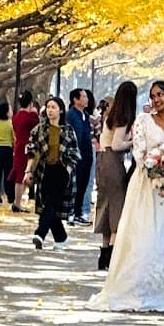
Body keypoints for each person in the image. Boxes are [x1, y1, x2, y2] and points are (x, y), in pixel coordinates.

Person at [88, 80, 164, 311]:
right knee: (144, 233)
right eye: (153, 96)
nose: (157, 99)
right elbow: (139, 153)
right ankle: (137, 286)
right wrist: (155, 167)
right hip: (145, 185)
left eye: (161, 94)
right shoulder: (143, 121)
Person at [91, 82, 138, 270]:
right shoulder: (123, 116)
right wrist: (134, 141)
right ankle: (111, 254)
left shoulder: (110, 114)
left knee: (105, 204)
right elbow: (118, 144)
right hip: (112, 160)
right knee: (117, 205)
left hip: (102, 159)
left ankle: (103, 253)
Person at [26, 96, 79, 249]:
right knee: (47, 204)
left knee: (52, 202)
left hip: (61, 171)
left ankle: (40, 234)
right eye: (48, 107)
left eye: (54, 107)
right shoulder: (40, 129)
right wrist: (28, 171)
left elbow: (75, 153)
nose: (50, 110)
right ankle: (61, 238)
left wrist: (67, 169)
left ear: (61, 110)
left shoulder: (68, 130)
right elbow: (32, 150)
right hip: (44, 171)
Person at [66, 87, 95, 226]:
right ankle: (72, 213)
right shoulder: (71, 115)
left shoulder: (85, 115)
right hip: (77, 155)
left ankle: (77, 212)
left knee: (83, 184)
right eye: (83, 97)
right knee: (75, 185)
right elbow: (74, 136)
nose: (87, 99)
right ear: (75, 100)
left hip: (86, 155)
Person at [9, 91, 38, 213]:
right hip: (28, 147)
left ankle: (18, 202)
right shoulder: (31, 117)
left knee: (19, 175)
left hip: (18, 146)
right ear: (31, 103)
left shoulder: (15, 117)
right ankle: (17, 203)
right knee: (22, 175)